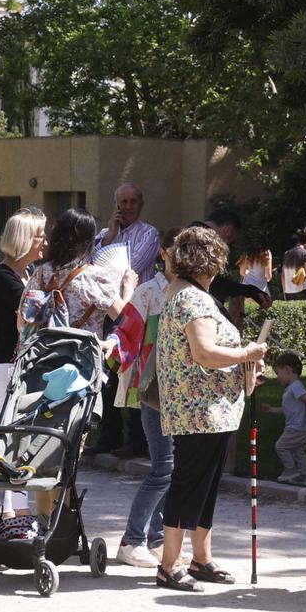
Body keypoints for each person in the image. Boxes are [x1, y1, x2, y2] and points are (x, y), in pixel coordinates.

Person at [153, 224, 271, 592]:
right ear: (212, 261)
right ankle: (169, 565)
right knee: (189, 483)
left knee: (202, 485)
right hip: (200, 410)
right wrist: (246, 354)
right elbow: (203, 353)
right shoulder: (194, 299)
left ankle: (200, 558)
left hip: (207, 408)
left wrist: (243, 364)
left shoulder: (182, 292)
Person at [116, 227, 180, 566]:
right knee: (162, 468)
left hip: (181, 393)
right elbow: (125, 334)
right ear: (163, 253)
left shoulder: (190, 291)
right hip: (154, 390)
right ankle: (132, 538)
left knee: (171, 468)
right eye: (176, 249)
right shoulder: (149, 292)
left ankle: (155, 537)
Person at [0, 207, 46, 519]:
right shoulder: (3, 277)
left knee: (20, 438)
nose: (44, 241)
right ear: (24, 240)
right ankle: (8, 510)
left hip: (21, 365)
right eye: (39, 235)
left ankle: (16, 506)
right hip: (8, 367)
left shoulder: (26, 274)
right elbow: (33, 311)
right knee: (10, 438)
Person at [266, 351, 306, 484]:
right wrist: (272, 410)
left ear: (288, 370)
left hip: (296, 427)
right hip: (304, 428)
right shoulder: (292, 388)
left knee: (281, 446)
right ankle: (304, 477)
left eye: (278, 373)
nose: (277, 377)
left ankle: (291, 470)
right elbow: (288, 409)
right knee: (298, 451)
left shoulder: (295, 387)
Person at [99, 183, 162, 285]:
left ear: (141, 205)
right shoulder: (105, 233)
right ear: (116, 205)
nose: (128, 206)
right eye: (124, 202)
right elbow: (91, 261)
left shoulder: (149, 233)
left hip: (138, 298)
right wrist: (111, 235)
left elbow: (131, 267)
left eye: (133, 202)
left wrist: (100, 271)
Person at [282, 229, 306, 301]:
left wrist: (284, 292)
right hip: (302, 291)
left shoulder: (287, 253)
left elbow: (283, 274)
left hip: (288, 292)